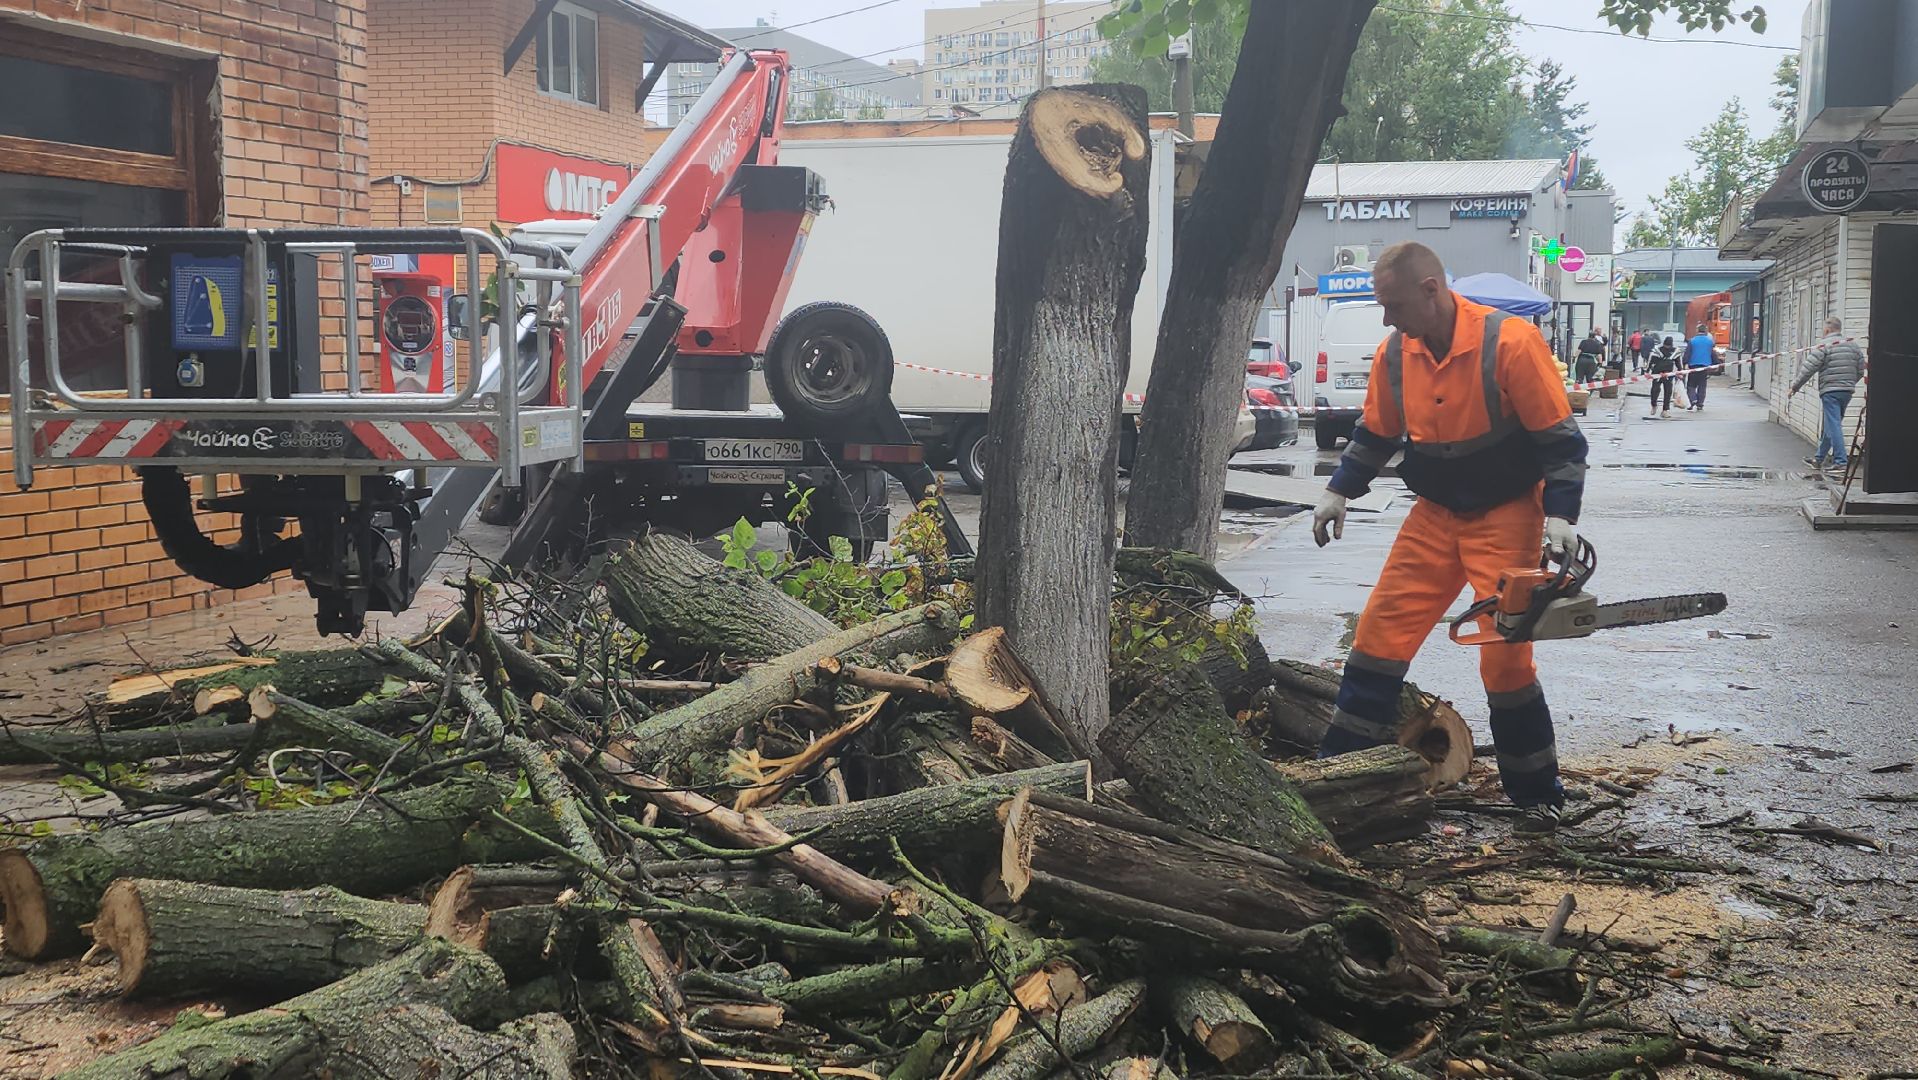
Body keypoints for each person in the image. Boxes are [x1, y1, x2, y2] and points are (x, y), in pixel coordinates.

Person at [1311, 242, 1589, 832]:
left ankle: (1537, 792)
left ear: (1432, 290)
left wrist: (1561, 518)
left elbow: (1561, 443)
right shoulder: (1395, 355)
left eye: (1393, 304)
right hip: (1434, 515)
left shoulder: (1510, 343)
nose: (1387, 319)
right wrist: (1339, 489)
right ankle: (1341, 773)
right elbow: (1376, 433)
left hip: (1508, 513)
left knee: (1505, 660)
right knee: (1379, 634)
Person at [1789, 316, 1867, 471]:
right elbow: (1860, 370)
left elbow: (1809, 368)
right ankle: (1819, 459)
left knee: (1834, 424)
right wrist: (1849, 383)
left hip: (1830, 391)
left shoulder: (1824, 345)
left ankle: (1841, 461)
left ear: (1827, 329)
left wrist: (1795, 387)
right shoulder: (1853, 345)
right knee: (1831, 425)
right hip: (1847, 391)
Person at [1684, 323, 1716, 410]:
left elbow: (1688, 353)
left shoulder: (1692, 341)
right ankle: (1700, 403)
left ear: (1697, 330)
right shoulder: (1710, 342)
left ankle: (1693, 399)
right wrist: (1715, 364)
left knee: (1691, 385)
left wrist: (1685, 363)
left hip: (1693, 366)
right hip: (1705, 366)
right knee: (1702, 385)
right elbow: (1712, 353)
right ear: (1705, 330)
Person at [1647, 335, 1680, 417]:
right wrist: (1648, 371)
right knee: (1655, 391)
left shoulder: (1675, 351)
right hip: (1657, 374)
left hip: (1669, 374)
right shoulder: (1657, 350)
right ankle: (1654, 404)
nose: (1667, 347)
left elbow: (1678, 362)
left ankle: (1665, 410)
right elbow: (1651, 361)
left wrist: (1680, 371)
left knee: (1668, 392)